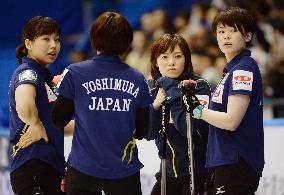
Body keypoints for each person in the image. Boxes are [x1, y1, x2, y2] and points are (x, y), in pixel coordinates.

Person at [51, 11, 153, 195]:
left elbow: (58, 119)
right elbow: (142, 131)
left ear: (93, 39)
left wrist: (88, 117)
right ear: (126, 43)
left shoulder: (74, 73)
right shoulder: (138, 79)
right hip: (124, 173)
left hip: (83, 171)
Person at [181, 7, 264, 195]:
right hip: (223, 160)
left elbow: (231, 121)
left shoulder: (243, 69)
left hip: (236, 161)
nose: (226, 36)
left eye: (233, 30)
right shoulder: (231, 71)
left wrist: (198, 110)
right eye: (221, 31)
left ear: (248, 36)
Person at [9, 16, 72, 195]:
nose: (53, 45)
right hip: (33, 166)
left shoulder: (45, 78)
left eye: (57, 40)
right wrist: (35, 124)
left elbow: (57, 125)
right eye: (46, 39)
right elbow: (24, 106)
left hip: (50, 166)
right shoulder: (28, 72)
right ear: (28, 43)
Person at [145, 33, 211, 195]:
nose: (171, 62)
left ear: (186, 60)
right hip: (167, 172)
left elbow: (193, 132)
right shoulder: (153, 87)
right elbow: (148, 133)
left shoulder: (199, 86)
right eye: (164, 57)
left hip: (196, 173)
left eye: (177, 56)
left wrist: (173, 93)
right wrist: (155, 105)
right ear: (155, 61)